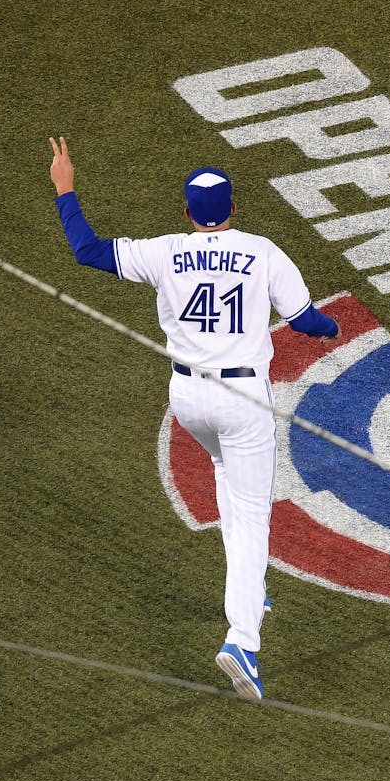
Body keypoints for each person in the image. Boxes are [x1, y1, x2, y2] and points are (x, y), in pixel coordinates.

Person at [48, 136, 339, 700]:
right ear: (232, 208)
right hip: (242, 401)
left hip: (187, 401)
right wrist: (331, 330)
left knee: (228, 481)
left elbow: (87, 250)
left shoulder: (163, 252)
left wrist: (66, 186)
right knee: (254, 515)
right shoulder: (262, 251)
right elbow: (304, 322)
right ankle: (243, 642)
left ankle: (249, 593)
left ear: (187, 213)